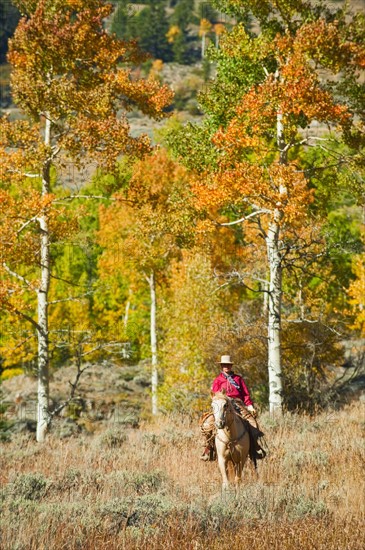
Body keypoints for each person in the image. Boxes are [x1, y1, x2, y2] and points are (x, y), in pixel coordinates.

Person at [200, 354, 266, 461]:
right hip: (222, 405)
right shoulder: (218, 380)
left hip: (237, 404)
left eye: (228, 365)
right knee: (207, 425)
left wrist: (249, 405)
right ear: (221, 366)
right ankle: (209, 448)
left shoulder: (238, 379)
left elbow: (245, 394)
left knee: (253, 424)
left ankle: (254, 448)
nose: (226, 366)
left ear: (231, 366)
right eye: (224, 365)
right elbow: (214, 395)